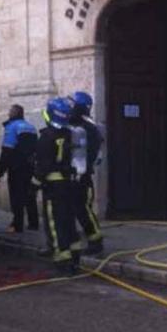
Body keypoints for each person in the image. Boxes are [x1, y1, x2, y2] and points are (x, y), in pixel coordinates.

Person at [35, 97, 82, 274]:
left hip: (53, 188)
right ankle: (75, 257)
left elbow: (44, 165)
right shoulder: (69, 134)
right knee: (69, 221)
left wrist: (34, 184)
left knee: (55, 224)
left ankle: (63, 262)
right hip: (68, 184)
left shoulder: (46, 137)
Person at [67, 91, 105, 255]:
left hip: (81, 176)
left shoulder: (87, 127)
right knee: (72, 209)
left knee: (83, 210)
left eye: (72, 104)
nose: (69, 107)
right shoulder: (74, 124)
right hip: (71, 175)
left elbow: (88, 153)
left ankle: (95, 241)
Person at [0, 104, 39, 232]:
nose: (9, 113)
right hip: (29, 166)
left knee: (16, 197)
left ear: (16, 113)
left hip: (16, 167)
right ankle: (34, 223)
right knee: (30, 196)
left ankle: (17, 224)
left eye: (10, 111)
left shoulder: (12, 127)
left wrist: (0, 169)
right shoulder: (31, 127)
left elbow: (7, 149)